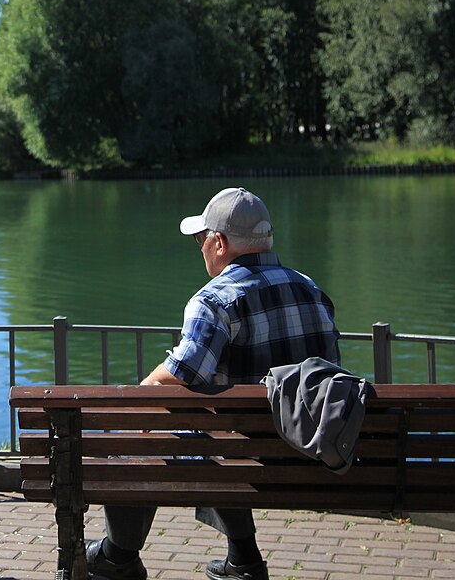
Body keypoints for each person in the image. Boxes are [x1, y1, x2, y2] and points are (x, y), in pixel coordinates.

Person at [85, 187, 340, 580]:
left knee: (131, 435)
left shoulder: (215, 299)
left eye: (201, 239)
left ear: (218, 243)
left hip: (240, 456)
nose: (200, 247)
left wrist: (140, 394)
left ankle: (117, 556)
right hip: (309, 450)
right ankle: (243, 558)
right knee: (217, 428)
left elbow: (180, 376)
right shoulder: (312, 290)